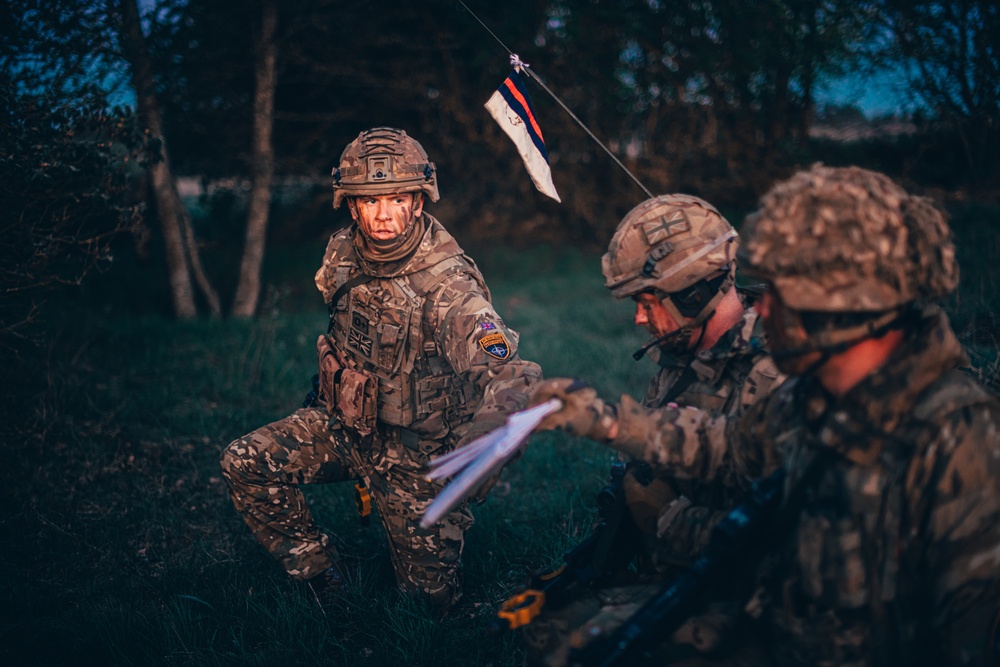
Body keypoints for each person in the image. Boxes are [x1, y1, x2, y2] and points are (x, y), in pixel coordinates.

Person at [537, 165, 1000, 665]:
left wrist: (673, 523)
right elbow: (733, 447)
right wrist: (608, 422)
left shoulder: (960, 444)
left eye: (783, 292)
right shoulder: (818, 395)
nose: (764, 311)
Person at [219, 127, 540, 614]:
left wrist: (482, 449)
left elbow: (511, 374)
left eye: (396, 198)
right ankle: (324, 574)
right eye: (370, 201)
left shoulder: (449, 288)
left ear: (418, 200)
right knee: (244, 461)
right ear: (351, 205)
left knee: (427, 608)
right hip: (347, 426)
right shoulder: (343, 252)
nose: (383, 214)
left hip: (418, 456)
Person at [522, 194, 784, 665]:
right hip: (681, 568)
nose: (639, 319)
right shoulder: (684, 358)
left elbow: (777, 549)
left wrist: (664, 518)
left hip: (760, 599)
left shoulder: (778, 374)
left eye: (647, 301)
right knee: (546, 625)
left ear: (694, 295)